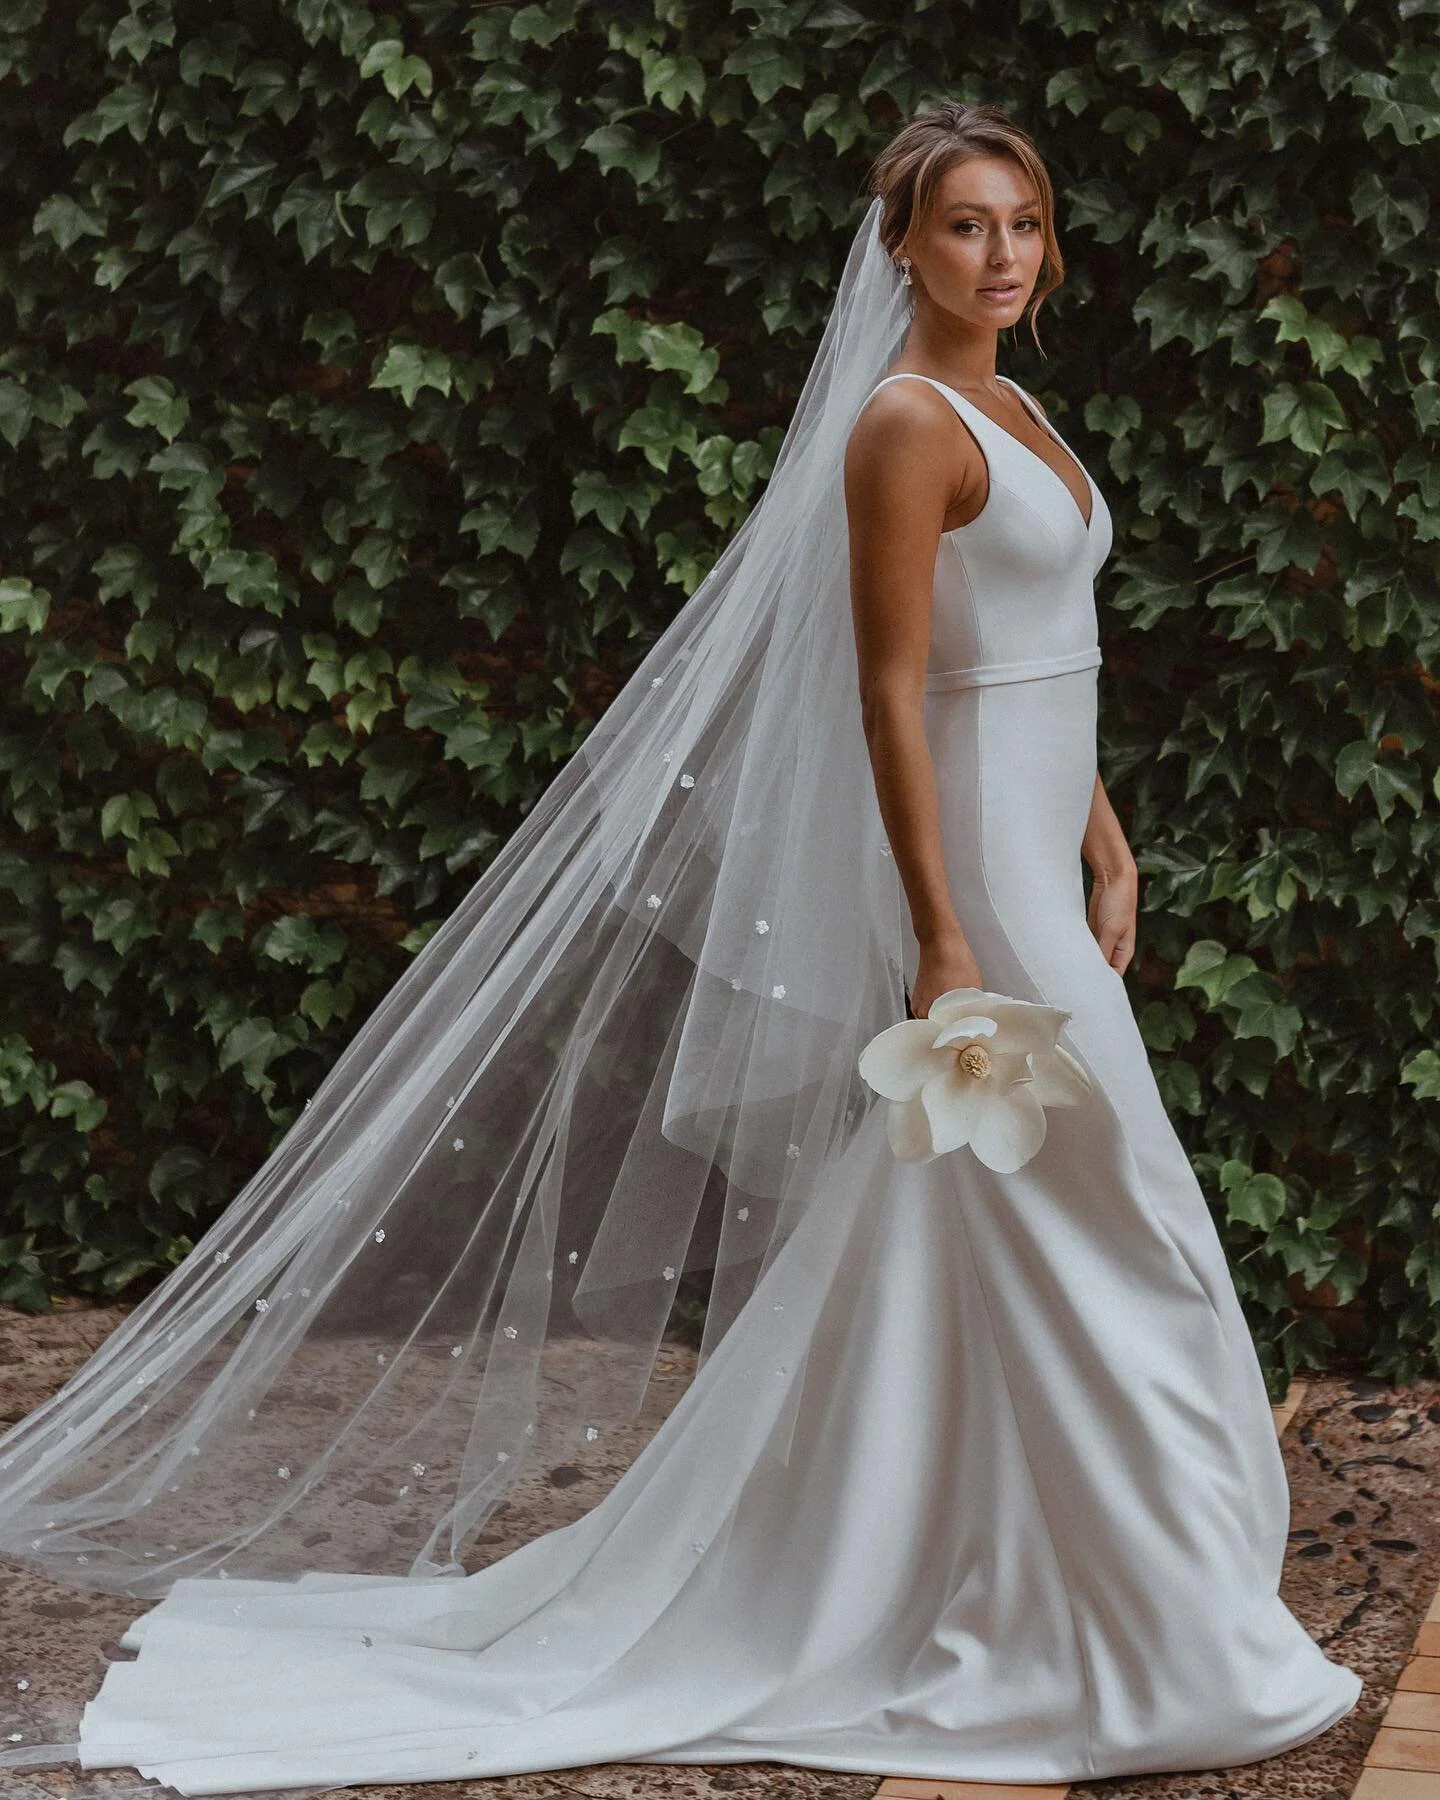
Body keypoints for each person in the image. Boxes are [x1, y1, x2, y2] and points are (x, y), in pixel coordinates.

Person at [0, 103, 1362, 1794]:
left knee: (1002, 1235)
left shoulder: (1019, 404)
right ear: (901, 247)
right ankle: (1130, 1623)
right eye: (964, 227)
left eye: (1021, 224)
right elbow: (887, 690)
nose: (1000, 255)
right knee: (1117, 1225)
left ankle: (996, 1562)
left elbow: (1028, 656)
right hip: (983, 907)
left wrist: (1106, 832)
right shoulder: (904, 427)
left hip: (1045, 859)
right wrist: (943, 930)